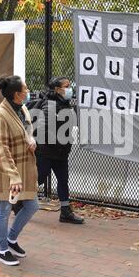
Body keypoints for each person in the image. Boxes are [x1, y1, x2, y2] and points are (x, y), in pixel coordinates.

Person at [0, 75, 39, 266]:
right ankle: (2, 250)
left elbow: (27, 128)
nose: (27, 92)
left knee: (32, 205)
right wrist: (13, 176)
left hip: (23, 167)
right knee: (4, 209)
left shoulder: (21, 107)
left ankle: (11, 239)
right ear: (17, 94)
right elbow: (2, 148)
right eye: (25, 89)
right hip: (6, 171)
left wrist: (30, 139)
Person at [34, 77, 84, 224]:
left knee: (63, 181)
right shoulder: (50, 104)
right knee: (38, 180)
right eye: (66, 86)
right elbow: (45, 129)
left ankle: (65, 212)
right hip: (47, 152)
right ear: (57, 89)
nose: (70, 89)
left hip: (61, 153)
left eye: (69, 86)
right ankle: (18, 202)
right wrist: (58, 143)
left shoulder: (64, 103)